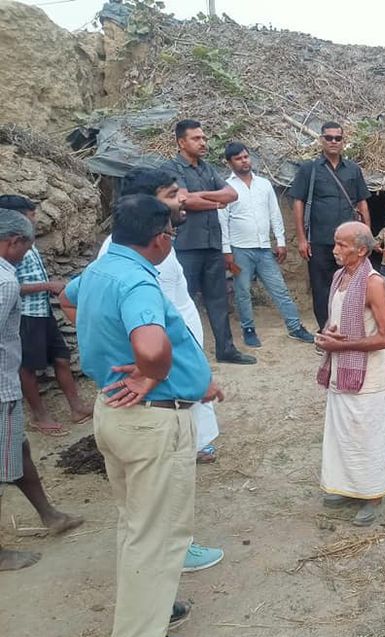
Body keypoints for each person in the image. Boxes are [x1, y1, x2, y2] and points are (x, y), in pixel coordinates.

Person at [61, 195, 223, 637]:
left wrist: (108, 343)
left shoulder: (99, 270)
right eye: (172, 235)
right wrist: (154, 373)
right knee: (160, 530)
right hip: (152, 417)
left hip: (115, 412)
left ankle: (152, 603)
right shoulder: (137, 282)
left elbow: (67, 300)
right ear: (159, 239)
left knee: (137, 521)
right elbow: (151, 346)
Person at [97, 167, 224, 573]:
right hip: (158, 395)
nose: (184, 197)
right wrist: (154, 371)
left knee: (175, 473)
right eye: (173, 193)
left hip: (172, 378)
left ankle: (174, 544)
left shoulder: (148, 249)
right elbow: (142, 333)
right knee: (164, 481)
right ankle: (173, 550)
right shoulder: (130, 256)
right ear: (149, 203)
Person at [0, 210, 83, 571]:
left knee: (19, 449)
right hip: (1, 387)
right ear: (13, 243)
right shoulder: (4, 282)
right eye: (24, 248)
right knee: (4, 463)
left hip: (6, 387)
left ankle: (49, 515)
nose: (23, 256)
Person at [315, 222, 385, 527]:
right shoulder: (339, 277)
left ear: (361, 250)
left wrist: (343, 344)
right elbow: (335, 321)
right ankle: (348, 488)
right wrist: (327, 336)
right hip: (340, 369)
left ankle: (372, 496)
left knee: (366, 434)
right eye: (335, 243)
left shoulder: (374, 283)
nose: (335, 250)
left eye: (342, 245)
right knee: (343, 433)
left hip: (367, 375)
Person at [163, 119, 255, 365]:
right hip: (186, 245)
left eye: (204, 138)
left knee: (218, 300)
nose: (203, 142)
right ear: (181, 142)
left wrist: (199, 197)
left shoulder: (207, 168)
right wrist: (216, 202)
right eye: (196, 138)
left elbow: (232, 194)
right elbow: (183, 201)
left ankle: (225, 350)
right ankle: (181, 356)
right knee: (183, 301)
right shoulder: (172, 168)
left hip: (212, 244)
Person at [0, 196, 92, 436]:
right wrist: (47, 286)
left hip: (43, 311)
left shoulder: (25, 244)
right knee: (28, 367)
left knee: (61, 358)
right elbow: (11, 286)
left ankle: (77, 407)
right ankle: (40, 417)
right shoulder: (9, 249)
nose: (35, 222)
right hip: (26, 315)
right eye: (30, 217)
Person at [219, 142, 314, 347]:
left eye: (246, 157)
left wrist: (280, 242)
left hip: (264, 249)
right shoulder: (226, 188)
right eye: (238, 158)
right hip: (240, 249)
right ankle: (248, 329)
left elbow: (274, 214)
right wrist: (226, 251)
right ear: (230, 163)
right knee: (243, 291)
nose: (244, 161)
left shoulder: (264, 184)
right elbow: (223, 222)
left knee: (279, 289)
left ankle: (295, 327)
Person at [288, 121, 371, 332]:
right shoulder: (309, 169)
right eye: (329, 137)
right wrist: (301, 239)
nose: (333, 142)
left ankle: (348, 327)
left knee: (352, 285)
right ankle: (326, 329)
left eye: (338, 138)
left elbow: (362, 201)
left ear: (343, 141)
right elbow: (297, 202)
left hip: (350, 244)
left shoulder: (353, 170)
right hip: (320, 241)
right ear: (321, 140)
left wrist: (367, 235)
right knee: (322, 287)